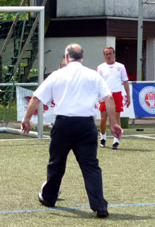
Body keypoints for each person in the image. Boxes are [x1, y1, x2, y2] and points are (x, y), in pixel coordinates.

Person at [21, 43, 123, 218]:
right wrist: (114, 123)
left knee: (56, 163)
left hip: (63, 125)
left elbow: (37, 97)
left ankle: (49, 198)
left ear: (67, 57)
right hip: (86, 126)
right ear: (82, 57)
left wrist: (26, 119)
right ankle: (100, 206)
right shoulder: (93, 75)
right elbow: (108, 98)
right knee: (91, 166)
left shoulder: (57, 75)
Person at [97, 46, 131, 150]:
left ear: (114, 54)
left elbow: (125, 81)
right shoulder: (100, 67)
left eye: (110, 53)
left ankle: (116, 141)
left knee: (116, 118)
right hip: (105, 95)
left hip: (117, 95)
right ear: (104, 56)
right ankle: (103, 138)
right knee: (103, 118)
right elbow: (97, 82)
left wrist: (128, 96)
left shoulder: (121, 66)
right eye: (106, 54)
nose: (108, 56)